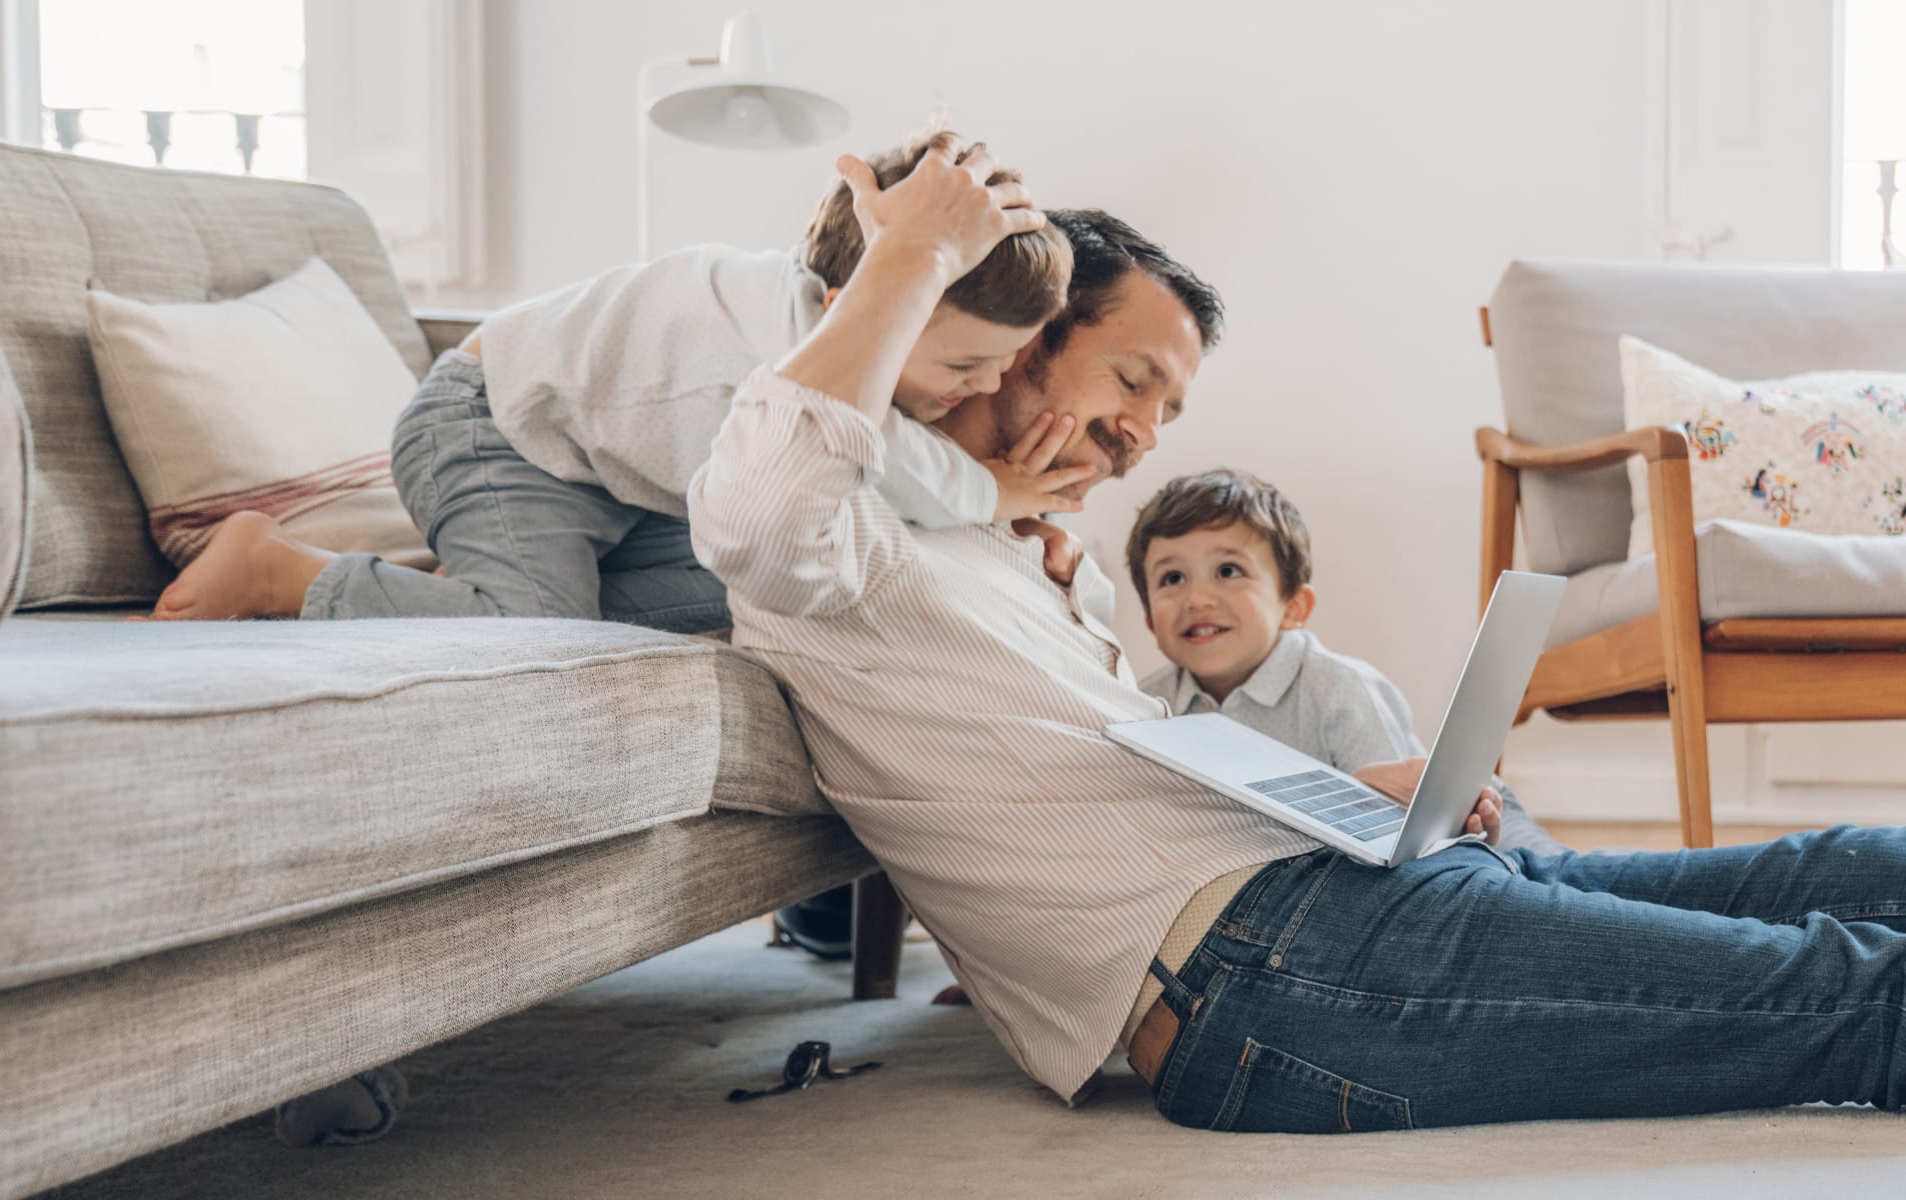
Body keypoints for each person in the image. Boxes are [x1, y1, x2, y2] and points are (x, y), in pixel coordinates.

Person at [688, 132, 1906, 1132]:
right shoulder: (829, 523)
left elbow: (1120, 792)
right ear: (1021, 341)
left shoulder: (1021, 558)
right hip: (1258, 978)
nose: (1143, 434)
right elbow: (755, 517)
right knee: (1841, 986)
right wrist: (906, 262)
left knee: (1818, 869)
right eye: (1130, 384)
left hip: (1322, 897)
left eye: (1168, 410)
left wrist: (1333, 790)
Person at [143, 130, 1093, 626]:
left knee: (761, 599)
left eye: (998, 370)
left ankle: (454, 580)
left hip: (612, 482)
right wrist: (995, 489)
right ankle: (281, 572)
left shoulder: (819, 315)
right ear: (867, 294)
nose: (976, 391)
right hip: (494, 433)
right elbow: (887, 464)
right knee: (539, 629)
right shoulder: (776, 351)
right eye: (966, 366)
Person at [1124, 466, 1562, 853]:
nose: (1197, 599)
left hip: (1470, 813)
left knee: (1558, 874)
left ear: (1294, 607)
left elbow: (1396, 828)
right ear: (1149, 621)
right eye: (1172, 578)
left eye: (1228, 571)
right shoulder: (1145, 706)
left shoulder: (1340, 689)